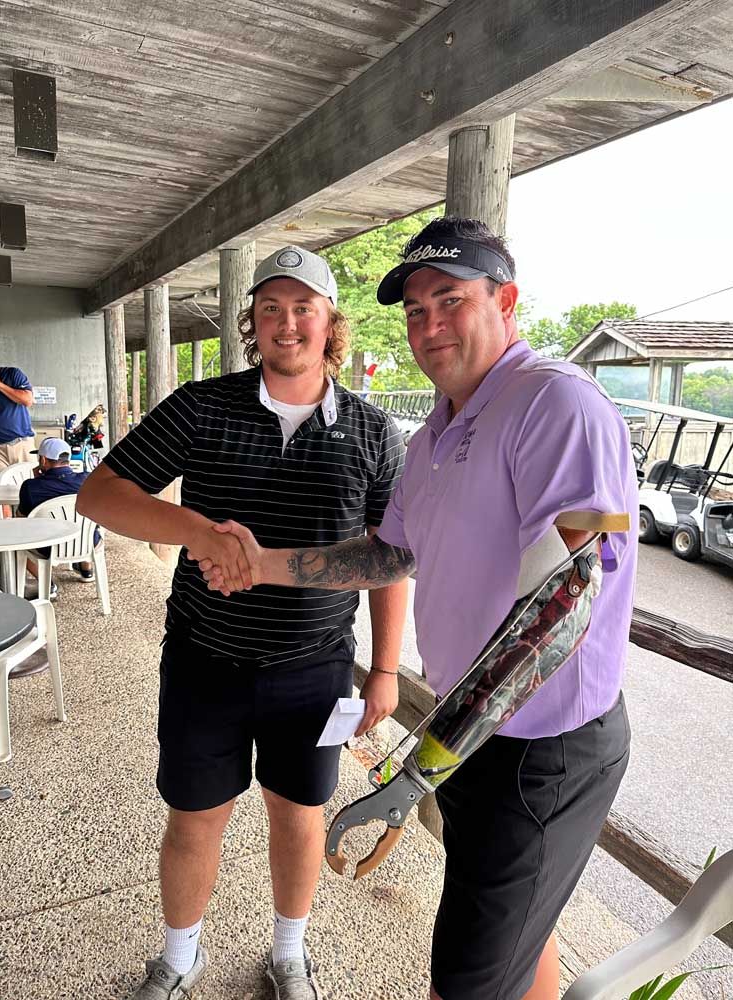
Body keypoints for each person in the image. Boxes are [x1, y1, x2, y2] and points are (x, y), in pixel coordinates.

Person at [195, 218, 639, 1000]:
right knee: (518, 945)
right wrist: (264, 564)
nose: (429, 325)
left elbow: (572, 600)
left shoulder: (554, 404)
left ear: (506, 301)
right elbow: (388, 555)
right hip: (478, 737)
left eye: (450, 301)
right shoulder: (437, 429)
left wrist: (423, 765)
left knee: (464, 980)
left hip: (542, 748)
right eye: (413, 310)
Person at [76, 245, 407, 1000]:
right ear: (252, 325)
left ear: (331, 324)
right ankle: (179, 955)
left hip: (317, 666)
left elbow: (390, 559)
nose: (286, 324)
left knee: (300, 814)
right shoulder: (202, 406)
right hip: (204, 655)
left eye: (303, 308)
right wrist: (194, 530)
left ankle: (289, 953)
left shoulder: (374, 431)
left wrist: (384, 671)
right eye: (269, 310)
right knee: (194, 816)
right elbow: (100, 493)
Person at [18, 437, 97, 596]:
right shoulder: (88, 479)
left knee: (16, 546)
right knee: (89, 526)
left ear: (44, 460)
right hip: (87, 542)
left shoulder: (30, 487)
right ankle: (86, 570)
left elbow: (21, 519)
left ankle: (48, 584)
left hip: (48, 546)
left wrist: (36, 482)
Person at [0, 352, 35, 584]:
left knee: (29, 497)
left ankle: (29, 556)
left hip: (21, 444)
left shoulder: (11, 374)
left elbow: (26, 400)